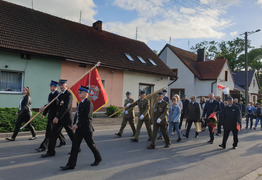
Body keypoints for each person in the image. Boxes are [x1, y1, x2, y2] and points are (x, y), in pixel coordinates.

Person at [60, 86, 102, 170]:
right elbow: (77, 115)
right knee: (74, 146)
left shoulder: (88, 103)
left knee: (91, 145)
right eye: (79, 92)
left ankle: (98, 158)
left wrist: (77, 125)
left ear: (86, 93)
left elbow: (87, 117)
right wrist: (74, 123)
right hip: (79, 129)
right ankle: (71, 164)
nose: (79, 93)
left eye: (81, 92)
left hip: (86, 129)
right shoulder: (80, 103)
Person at [41, 79, 74, 157]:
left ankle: (77, 147)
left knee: (71, 134)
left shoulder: (69, 95)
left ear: (66, 86)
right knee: (53, 134)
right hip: (59, 118)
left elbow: (66, 107)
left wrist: (57, 117)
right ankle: (50, 152)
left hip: (67, 118)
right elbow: (54, 105)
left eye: (62, 85)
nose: (61, 87)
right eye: (60, 85)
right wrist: (44, 107)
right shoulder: (59, 95)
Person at [35, 80, 66, 152]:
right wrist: (44, 114)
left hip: (55, 115)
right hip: (51, 114)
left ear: (56, 87)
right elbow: (48, 105)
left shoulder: (58, 94)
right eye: (50, 86)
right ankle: (63, 141)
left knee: (49, 131)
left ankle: (43, 146)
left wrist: (45, 106)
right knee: (55, 130)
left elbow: (56, 105)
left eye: (52, 86)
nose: (51, 87)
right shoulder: (50, 94)